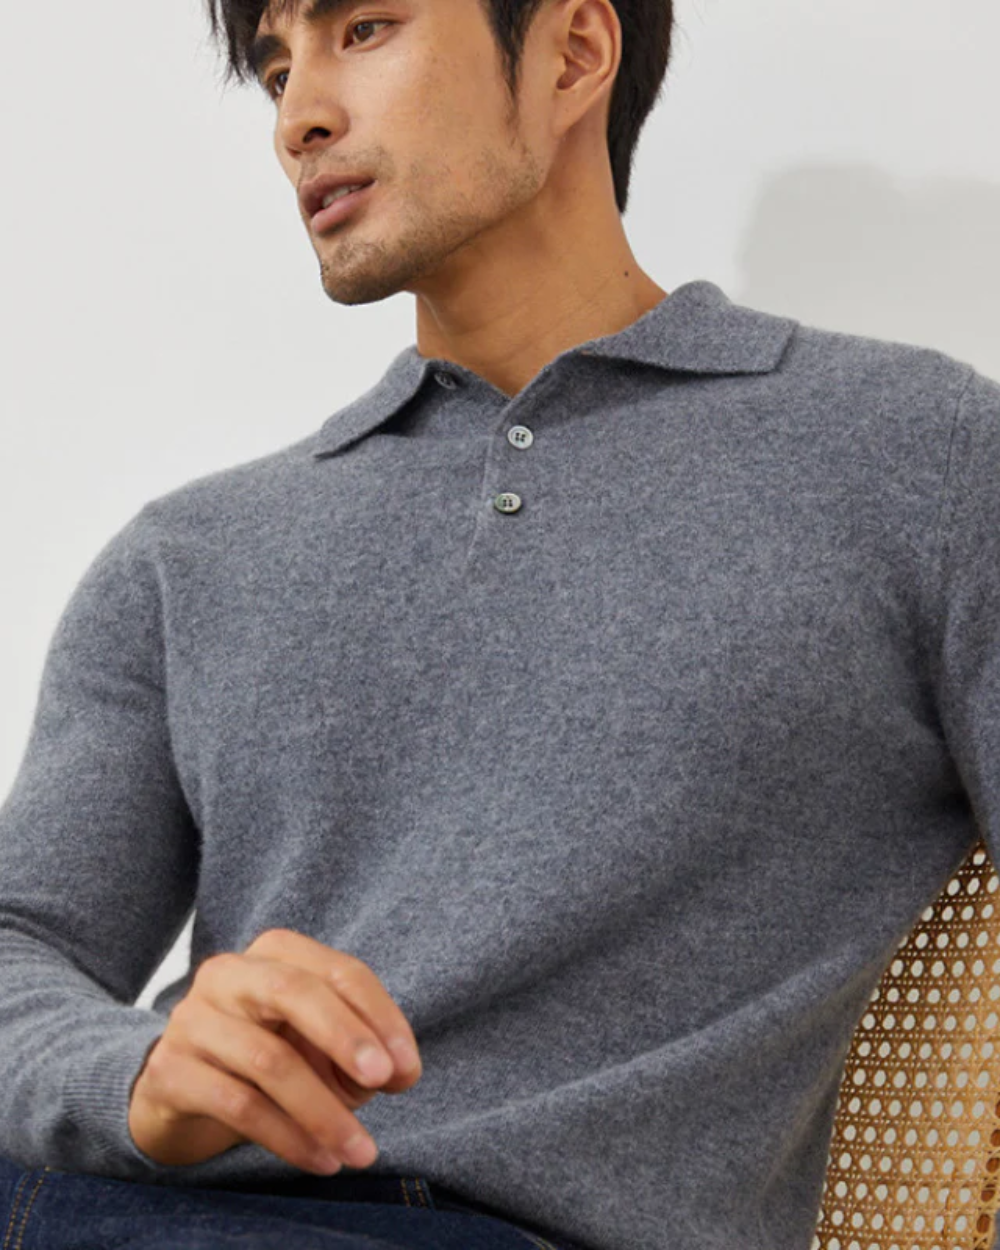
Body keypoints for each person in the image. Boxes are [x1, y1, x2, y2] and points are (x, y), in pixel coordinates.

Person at [0, 0, 997, 1244]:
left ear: (572, 53)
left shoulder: (918, 459)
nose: (298, 117)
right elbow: (21, 941)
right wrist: (132, 1077)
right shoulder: (183, 557)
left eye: (363, 29)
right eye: (274, 70)